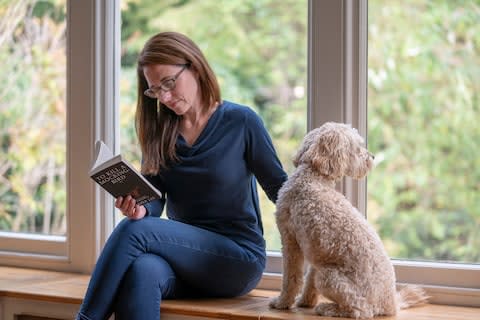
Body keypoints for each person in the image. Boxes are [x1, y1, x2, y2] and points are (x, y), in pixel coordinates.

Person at [76, 31, 288, 320]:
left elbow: (282, 191)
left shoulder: (242, 122)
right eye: (155, 91)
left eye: (169, 83)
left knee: (133, 232)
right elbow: (155, 201)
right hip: (185, 261)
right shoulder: (161, 134)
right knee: (143, 269)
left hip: (237, 260)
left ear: (195, 67)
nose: (164, 97)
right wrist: (140, 209)